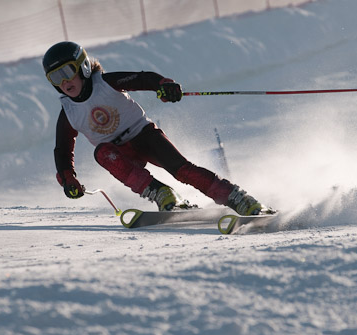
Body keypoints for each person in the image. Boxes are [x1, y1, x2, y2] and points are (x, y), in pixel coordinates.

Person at [43, 41, 270, 215]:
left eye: (66, 72)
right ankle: (161, 193)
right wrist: (68, 178)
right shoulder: (69, 112)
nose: (63, 82)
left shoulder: (106, 83)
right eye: (55, 77)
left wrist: (163, 86)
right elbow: (62, 150)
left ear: (82, 66)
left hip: (144, 136)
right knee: (102, 153)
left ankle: (238, 198)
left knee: (183, 170)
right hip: (119, 153)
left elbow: (143, 79)